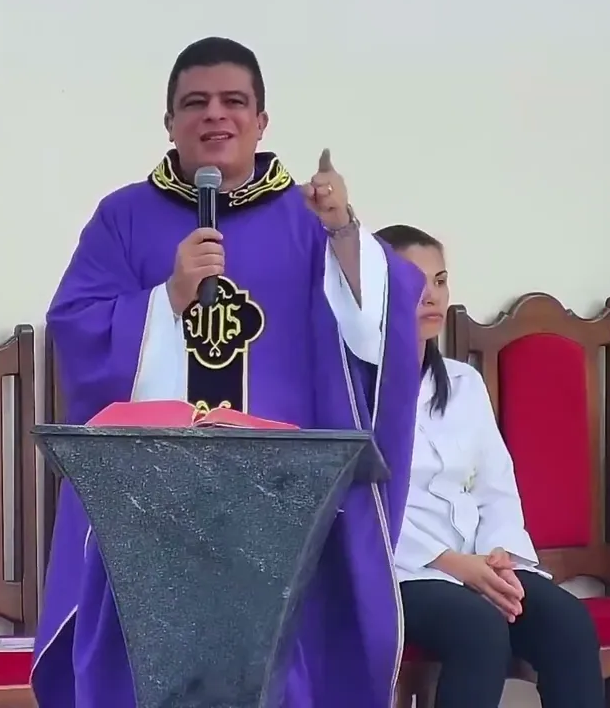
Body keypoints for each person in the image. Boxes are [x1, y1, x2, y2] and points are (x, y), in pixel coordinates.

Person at [33, 37, 426, 707]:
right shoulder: (123, 217)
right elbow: (76, 328)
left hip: (279, 499)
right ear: (169, 123)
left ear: (261, 121)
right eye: (195, 103)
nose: (215, 114)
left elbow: (379, 330)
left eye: (233, 101)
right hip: (154, 498)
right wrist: (167, 298)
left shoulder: (308, 219)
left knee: (276, 670)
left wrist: (345, 233)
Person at [376, 225, 605, 708]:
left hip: (479, 560)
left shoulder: (464, 383)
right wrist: (453, 564)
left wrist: (499, 558)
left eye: (440, 281)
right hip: (399, 570)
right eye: (414, 282)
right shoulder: (355, 389)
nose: (431, 296)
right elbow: (363, 504)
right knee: (478, 629)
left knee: (568, 622)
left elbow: (496, 486)